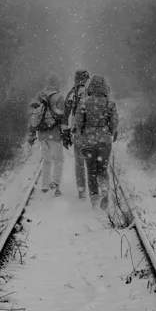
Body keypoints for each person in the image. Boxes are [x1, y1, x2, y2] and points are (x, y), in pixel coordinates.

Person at [74, 75, 119, 209]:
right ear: (104, 87)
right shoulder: (109, 103)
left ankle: (94, 201)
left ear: (90, 87)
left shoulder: (84, 101)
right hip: (104, 141)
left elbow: (78, 122)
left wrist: (81, 133)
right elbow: (114, 122)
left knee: (91, 170)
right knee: (103, 169)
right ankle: (104, 189)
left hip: (88, 140)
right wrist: (110, 132)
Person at [27, 74, 66, 196]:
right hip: (55, 134)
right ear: (57, 84)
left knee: (46, 160)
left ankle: (44, 185)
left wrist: (32, 134)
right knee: (58, 159)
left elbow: (33, 116)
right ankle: (55, 184)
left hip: (42, 135)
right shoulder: (59, 97)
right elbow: (62, 117)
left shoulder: (39, 97)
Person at [63, 69, 90, 200]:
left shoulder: (72, 93)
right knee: (93, 163)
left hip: (78, 132)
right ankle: (95, 191)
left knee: (79, 163)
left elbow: (65, 115)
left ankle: (81, 191)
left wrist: (65, 132)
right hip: (92, 133)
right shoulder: (93, 92)